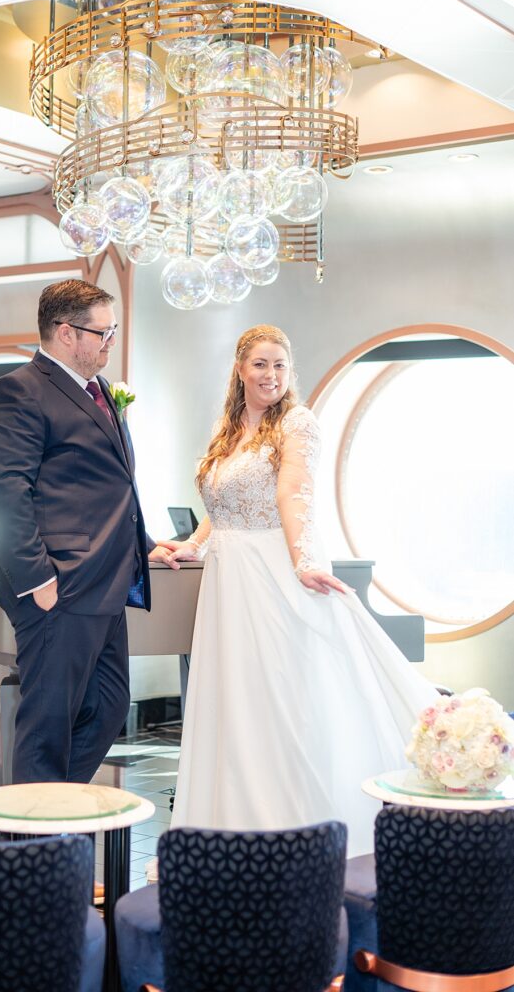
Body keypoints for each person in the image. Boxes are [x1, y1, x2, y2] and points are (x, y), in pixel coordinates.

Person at [169, 324, 436, 855]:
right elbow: (219, 510)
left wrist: (304, 560)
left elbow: (295, 492)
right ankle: (227, 831)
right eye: (261, 364)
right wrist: (191, 546)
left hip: (271, 568)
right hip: (228, 576)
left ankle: (290, 833)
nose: (271, 375)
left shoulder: (297, 422)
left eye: (280, 366)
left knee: (277, 694)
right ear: (240, 369)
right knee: (232, 696)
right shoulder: (229, 428)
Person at [0, 279, 178, 785]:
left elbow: (108, 487)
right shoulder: (18, 390)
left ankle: (50, 813)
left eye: (113, 331)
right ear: (66, 333)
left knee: (110, 708)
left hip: (106, 585)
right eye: (103, 333)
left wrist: (144, 545)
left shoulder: (103, 392)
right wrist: (37, 579)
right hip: (58, 586)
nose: (111, 342)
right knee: (47, 726)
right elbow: (3, 493)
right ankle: (26, 853)